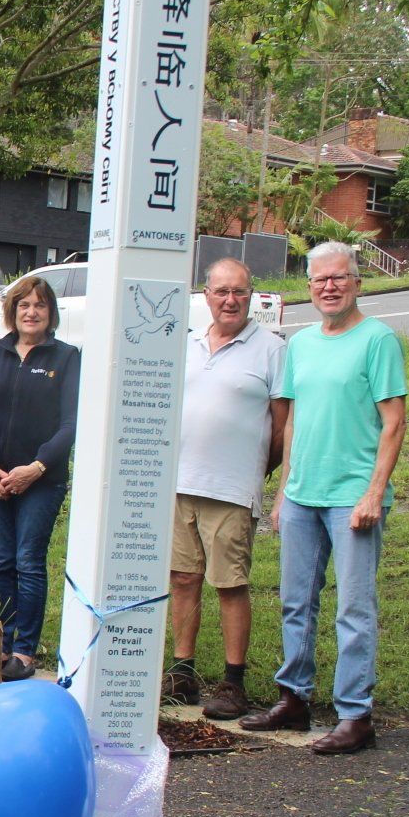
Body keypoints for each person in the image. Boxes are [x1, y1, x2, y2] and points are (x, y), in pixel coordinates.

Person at [240, 243, 406, 755]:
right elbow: (291, 425)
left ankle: (355, 715)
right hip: (302, 495)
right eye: (319, 280)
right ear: (308, 287)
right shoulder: (303, 344)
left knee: (353, 608)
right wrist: (284, 491)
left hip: (351, 498)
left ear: (358, 282)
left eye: (339, 278)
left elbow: (394, 422)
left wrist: (373, 493)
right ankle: (294, 698)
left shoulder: (378, 341)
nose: (329, 287)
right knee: (295, 602)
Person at [164, 258, 286, 720]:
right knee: (183, 577)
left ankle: (233, 682)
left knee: (230, 584)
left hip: (232, 489)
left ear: (251, 295)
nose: (230, 300)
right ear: (207, 296)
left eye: (239, 291)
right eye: (221, 292)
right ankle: (183, 669)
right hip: (180, 484)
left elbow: (281, 425)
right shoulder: (188, 344)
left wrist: (257, 468)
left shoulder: (271, 349)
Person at [0, 276, 79, 681]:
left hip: (40, 482)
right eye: (23, 305)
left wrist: (37, 468)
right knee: (2, 563)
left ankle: (26, 651)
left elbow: (70, 424)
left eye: (40, 306)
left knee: (29, 562)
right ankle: (2, 643)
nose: (31, 312)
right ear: (12, 311)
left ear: (51, 314)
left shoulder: (66, 357)